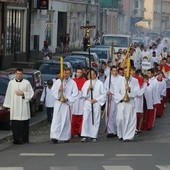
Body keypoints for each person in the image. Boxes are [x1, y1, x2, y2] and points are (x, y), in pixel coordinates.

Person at [3, 68, 34, 144]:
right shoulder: (11, 83)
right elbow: (8, 94)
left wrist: (23, 94)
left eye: (20, 74)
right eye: (18, 74)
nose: (19, 75)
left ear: (22, 74)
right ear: (15, 74)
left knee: (24, 123)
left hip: (24, 106)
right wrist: (8, 106)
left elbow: (31, 93)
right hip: (15, 106)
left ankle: (24, 139)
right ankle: (17, 139)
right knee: (15, 124)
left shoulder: (26, 82)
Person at [50, 68, 78, 143]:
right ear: (63, 73)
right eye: (65, 73)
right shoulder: (58, 81)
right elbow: (53, 91)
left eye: (68, 73)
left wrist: (68, 98)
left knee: (66, 120)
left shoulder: (72, 82)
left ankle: (65, 137)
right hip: (58, 103)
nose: (66, 75)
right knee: (57, 120)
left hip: (66, 104)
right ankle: (54, 137)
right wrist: (59, 90)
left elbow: (75, 93)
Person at [81, 69, 106, 142]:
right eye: (90, 74)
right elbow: (83, 94)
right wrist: (88, 89)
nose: (91, 75)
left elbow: (103, 94)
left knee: (95, 119)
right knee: (86, 118)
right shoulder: (86, 83)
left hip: (96, 102)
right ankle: (85, 135)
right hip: (88, 102)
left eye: (93, 74)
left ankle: (93, 135)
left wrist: (96, 100)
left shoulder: (100, 83)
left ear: (96, 74)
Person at [114, 68, 140, 141]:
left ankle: (128, 136)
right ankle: (121, 135)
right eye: (125, 71)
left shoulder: (135, 81)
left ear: (131, 71)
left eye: (128, 71)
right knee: (120, 119)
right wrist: (122, 98)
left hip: (130, 102)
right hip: (121, 102)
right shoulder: (119, 80)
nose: (126, 73)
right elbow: (116, 92)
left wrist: (129, 89)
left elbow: (137, 92)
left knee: (129, 119)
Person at [104, 66, 123, 137]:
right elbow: (105, 88)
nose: (115, 72)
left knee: (118, 114)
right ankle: (110, 131)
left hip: (118, 98)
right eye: (113, 71)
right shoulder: (108, 79)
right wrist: (107, 92)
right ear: (111, 72)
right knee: (110, 114)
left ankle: (118, 130)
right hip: (111, 98)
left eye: (116, 70)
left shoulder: (121, 78)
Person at [71, 68, 86, 137]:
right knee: (73, 116)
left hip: (81, 100)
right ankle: (73, 131)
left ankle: (80, 131)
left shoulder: (84, 80)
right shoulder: (72, 81)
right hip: (74, 100)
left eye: (80, 72)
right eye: (78, 72)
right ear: (75, 73)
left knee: (81, 115)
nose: (79, 73)